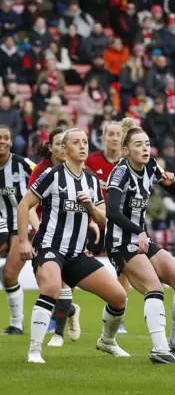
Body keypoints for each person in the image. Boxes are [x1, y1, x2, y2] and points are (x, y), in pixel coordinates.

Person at [17, 128, 129, 364]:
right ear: (64, 149)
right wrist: (24, 241)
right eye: (76, 142)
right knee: (51, 289)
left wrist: (90, 207)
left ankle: (107, 341)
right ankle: (34, 351)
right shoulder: (52, 175)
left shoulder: (91, 180)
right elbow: (24, 205)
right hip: (50, 246)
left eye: (85, 142)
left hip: (77, 253)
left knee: (119, 297)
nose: (82, 146)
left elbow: (102, 219)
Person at [105, 118, 175, 364]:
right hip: (120, 242)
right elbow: (112, 212)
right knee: (154, 288)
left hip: (140, 239)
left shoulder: (151, 166)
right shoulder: (121, 172)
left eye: (147, 144)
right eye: (138, 145)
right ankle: (159, 349)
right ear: (126, 150)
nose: (145, 148)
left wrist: (171, 183)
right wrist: (140, 231)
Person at [28, 129, 85, 347]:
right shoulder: (43, 171)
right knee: (47, 288)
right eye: (59, 143)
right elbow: (30, 204)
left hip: (70, 235)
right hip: (45, 233)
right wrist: (37, 230)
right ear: (51, 147)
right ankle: (70, 310)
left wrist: (90, 225)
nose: (63, 147)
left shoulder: (80, 170)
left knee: (60, 286)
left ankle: (58, 335)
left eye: (65, 143)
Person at [85, 120, 129, 334]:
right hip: (94, 221)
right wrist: (91, 218)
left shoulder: (128, 162)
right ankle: (62, 313)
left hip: (119, 223)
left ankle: (118, 317)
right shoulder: (91, 161)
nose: (113, 138)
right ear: (103, 137)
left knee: (125, 270)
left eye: (117, 134)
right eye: (109, 134)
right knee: (70, 263)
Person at [0, 125, 37, 335]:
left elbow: (46, 176)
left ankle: (16, 324)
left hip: (21, 227)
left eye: (6, 138)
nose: (2, 142)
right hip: (1, 227)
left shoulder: (23, 164)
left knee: (10, 273)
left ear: (11, 142)